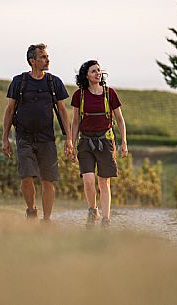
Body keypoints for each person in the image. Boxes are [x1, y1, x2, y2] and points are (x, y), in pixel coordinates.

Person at [2, 43, 73, 222]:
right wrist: (5, 139)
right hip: (24, 137)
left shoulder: (54, 82)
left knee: (48, 180)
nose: (47, 60)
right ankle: (31, 210)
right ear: (32, 61)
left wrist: (69, 139)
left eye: (47, 57)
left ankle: (47, 219)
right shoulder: (19, 81)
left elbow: (63, 112)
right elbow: (10, 110)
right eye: (43, 57)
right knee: (26, 176)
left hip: (47, 138)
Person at [71, 60, 128, 227]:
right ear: (86, 76)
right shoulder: (79, 95)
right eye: (93, 71)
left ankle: (106, 219)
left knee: (104, 181)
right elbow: (75, 122)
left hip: (105, 141)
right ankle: (92, 210)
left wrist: (124, 142)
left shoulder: (110, 93)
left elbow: (120, 119)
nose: (98, 73)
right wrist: (71, 144)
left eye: (99, 70)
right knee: (88, 180)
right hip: (85, 142)